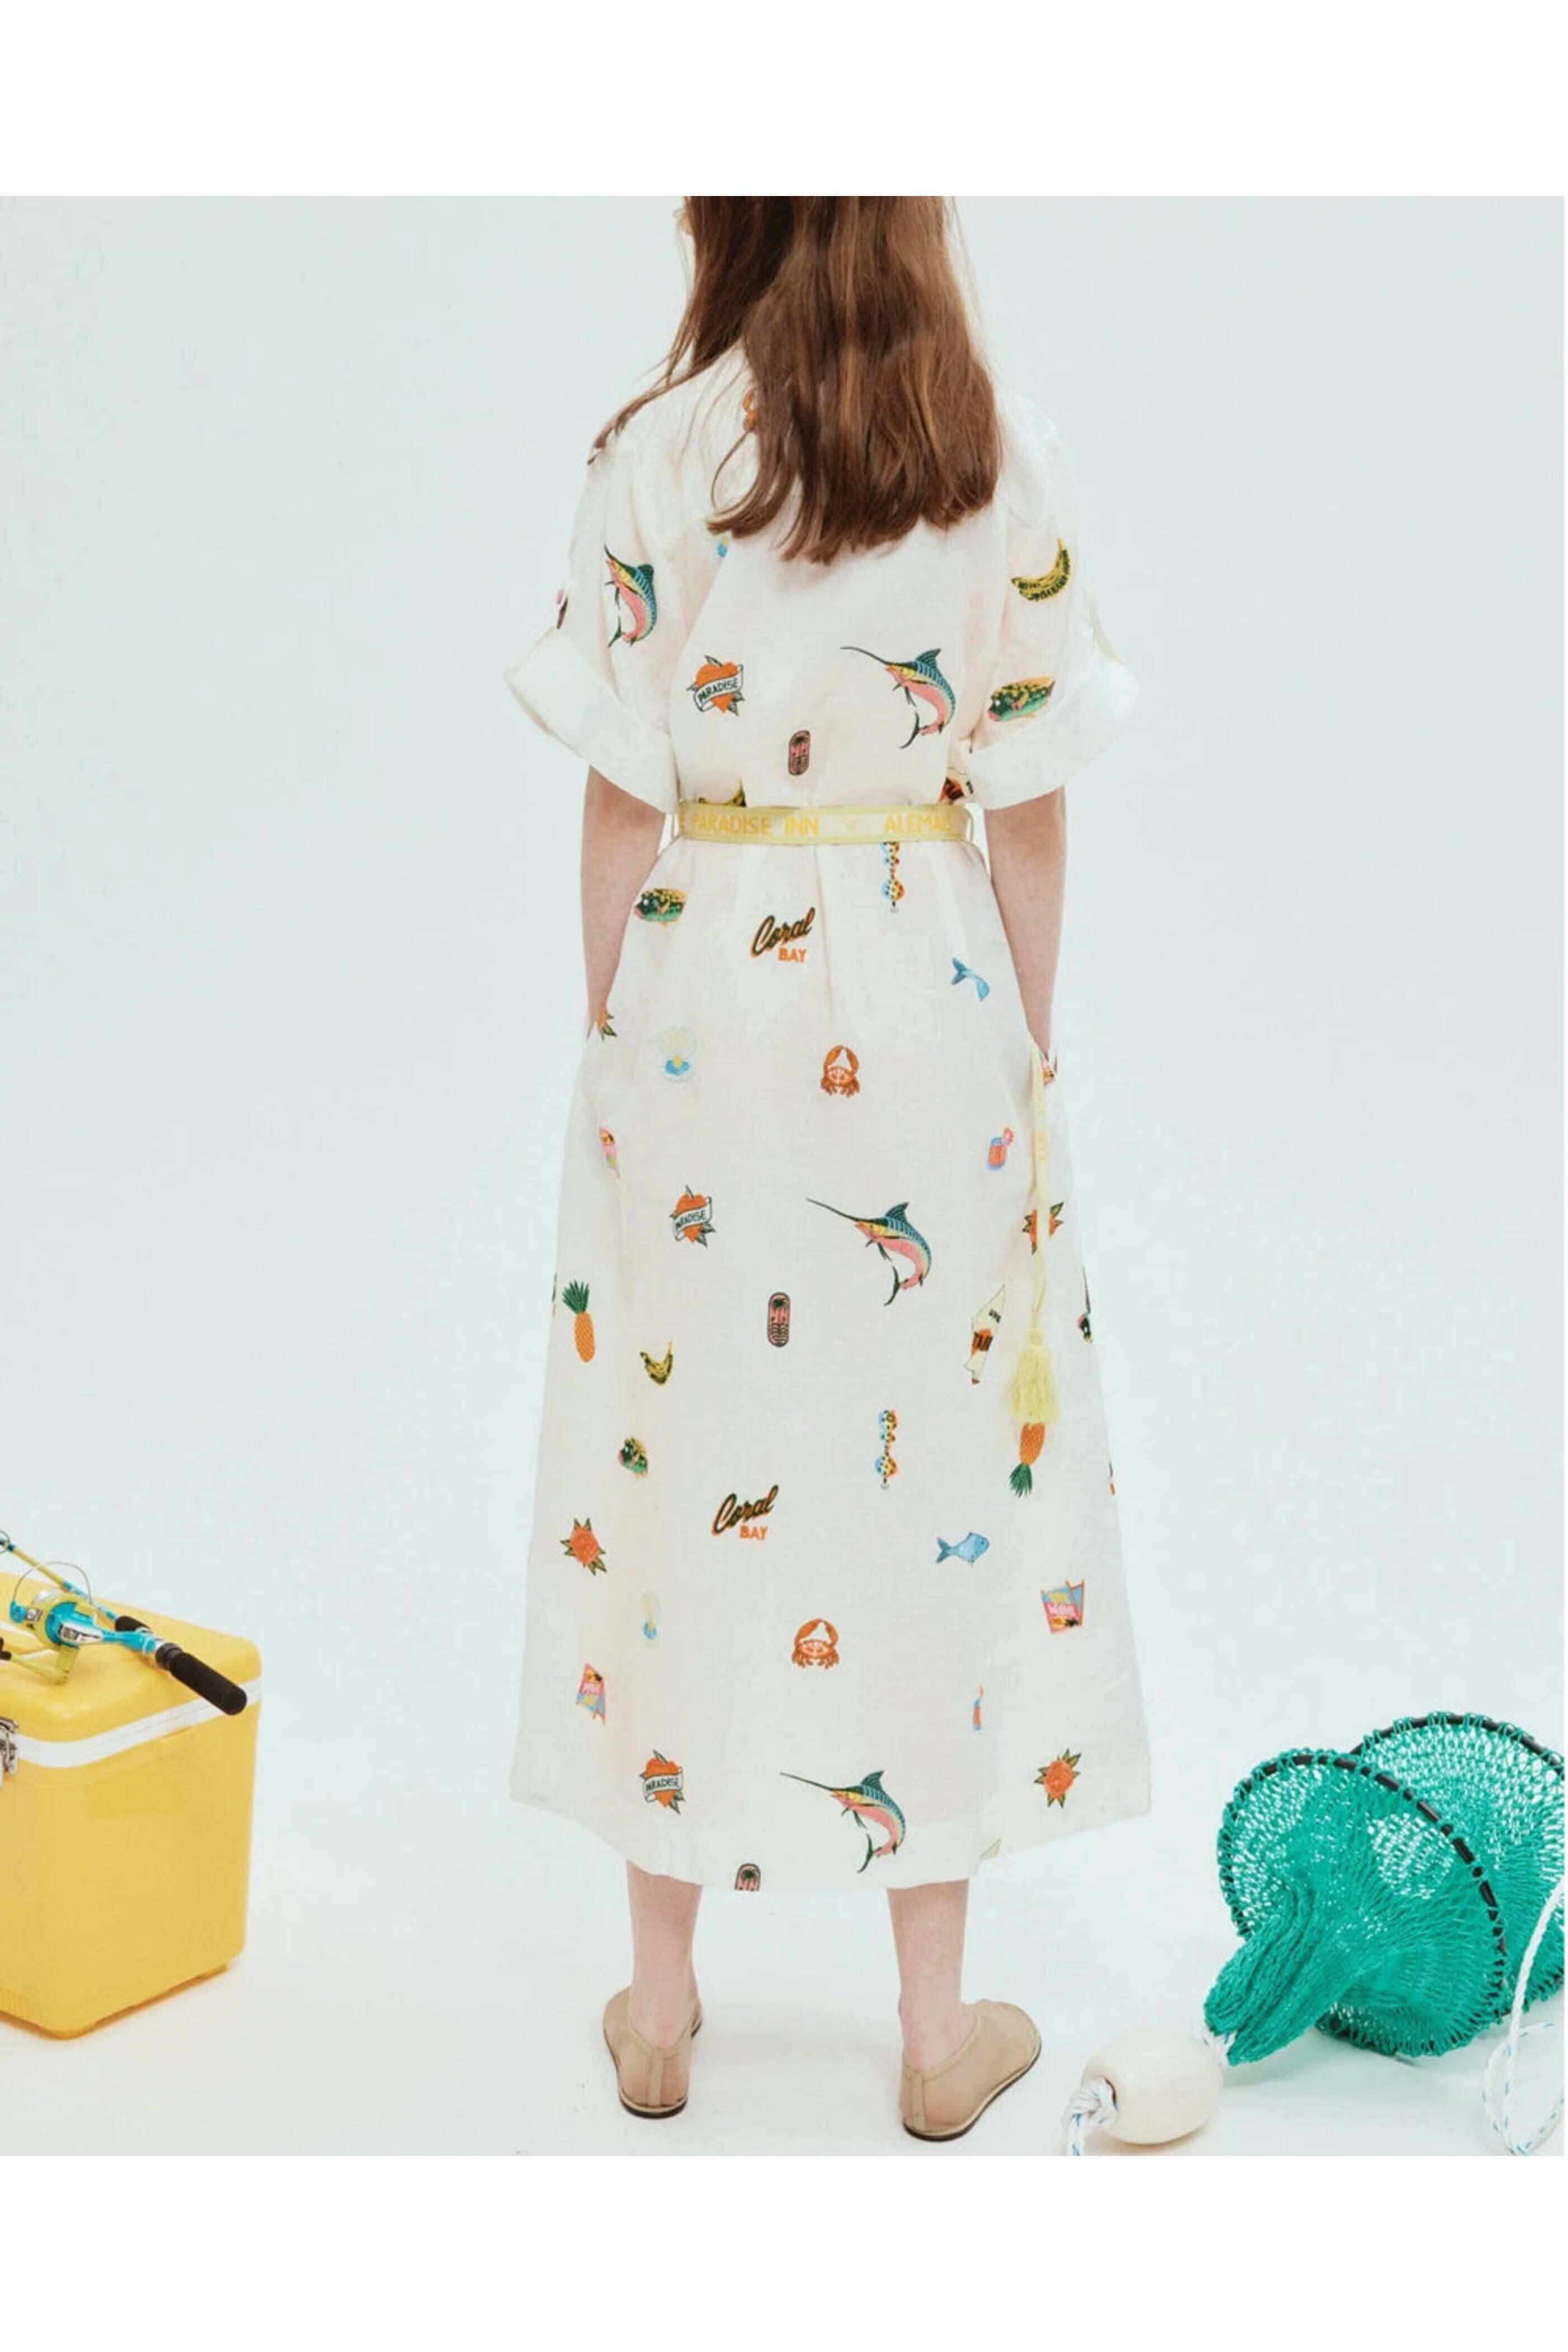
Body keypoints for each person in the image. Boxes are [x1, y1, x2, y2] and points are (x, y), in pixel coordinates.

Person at [507, 197, 1149, 2140]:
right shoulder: (993, 448)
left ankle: (658, 2008)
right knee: (932, 1477)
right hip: (926, 992)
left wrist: (615, 1042)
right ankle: (937, 2036)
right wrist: (1027, 1051)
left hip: (709, 984)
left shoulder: (660, 447)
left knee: (672, 1461)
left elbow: (619, 794)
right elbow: (1029, 807)